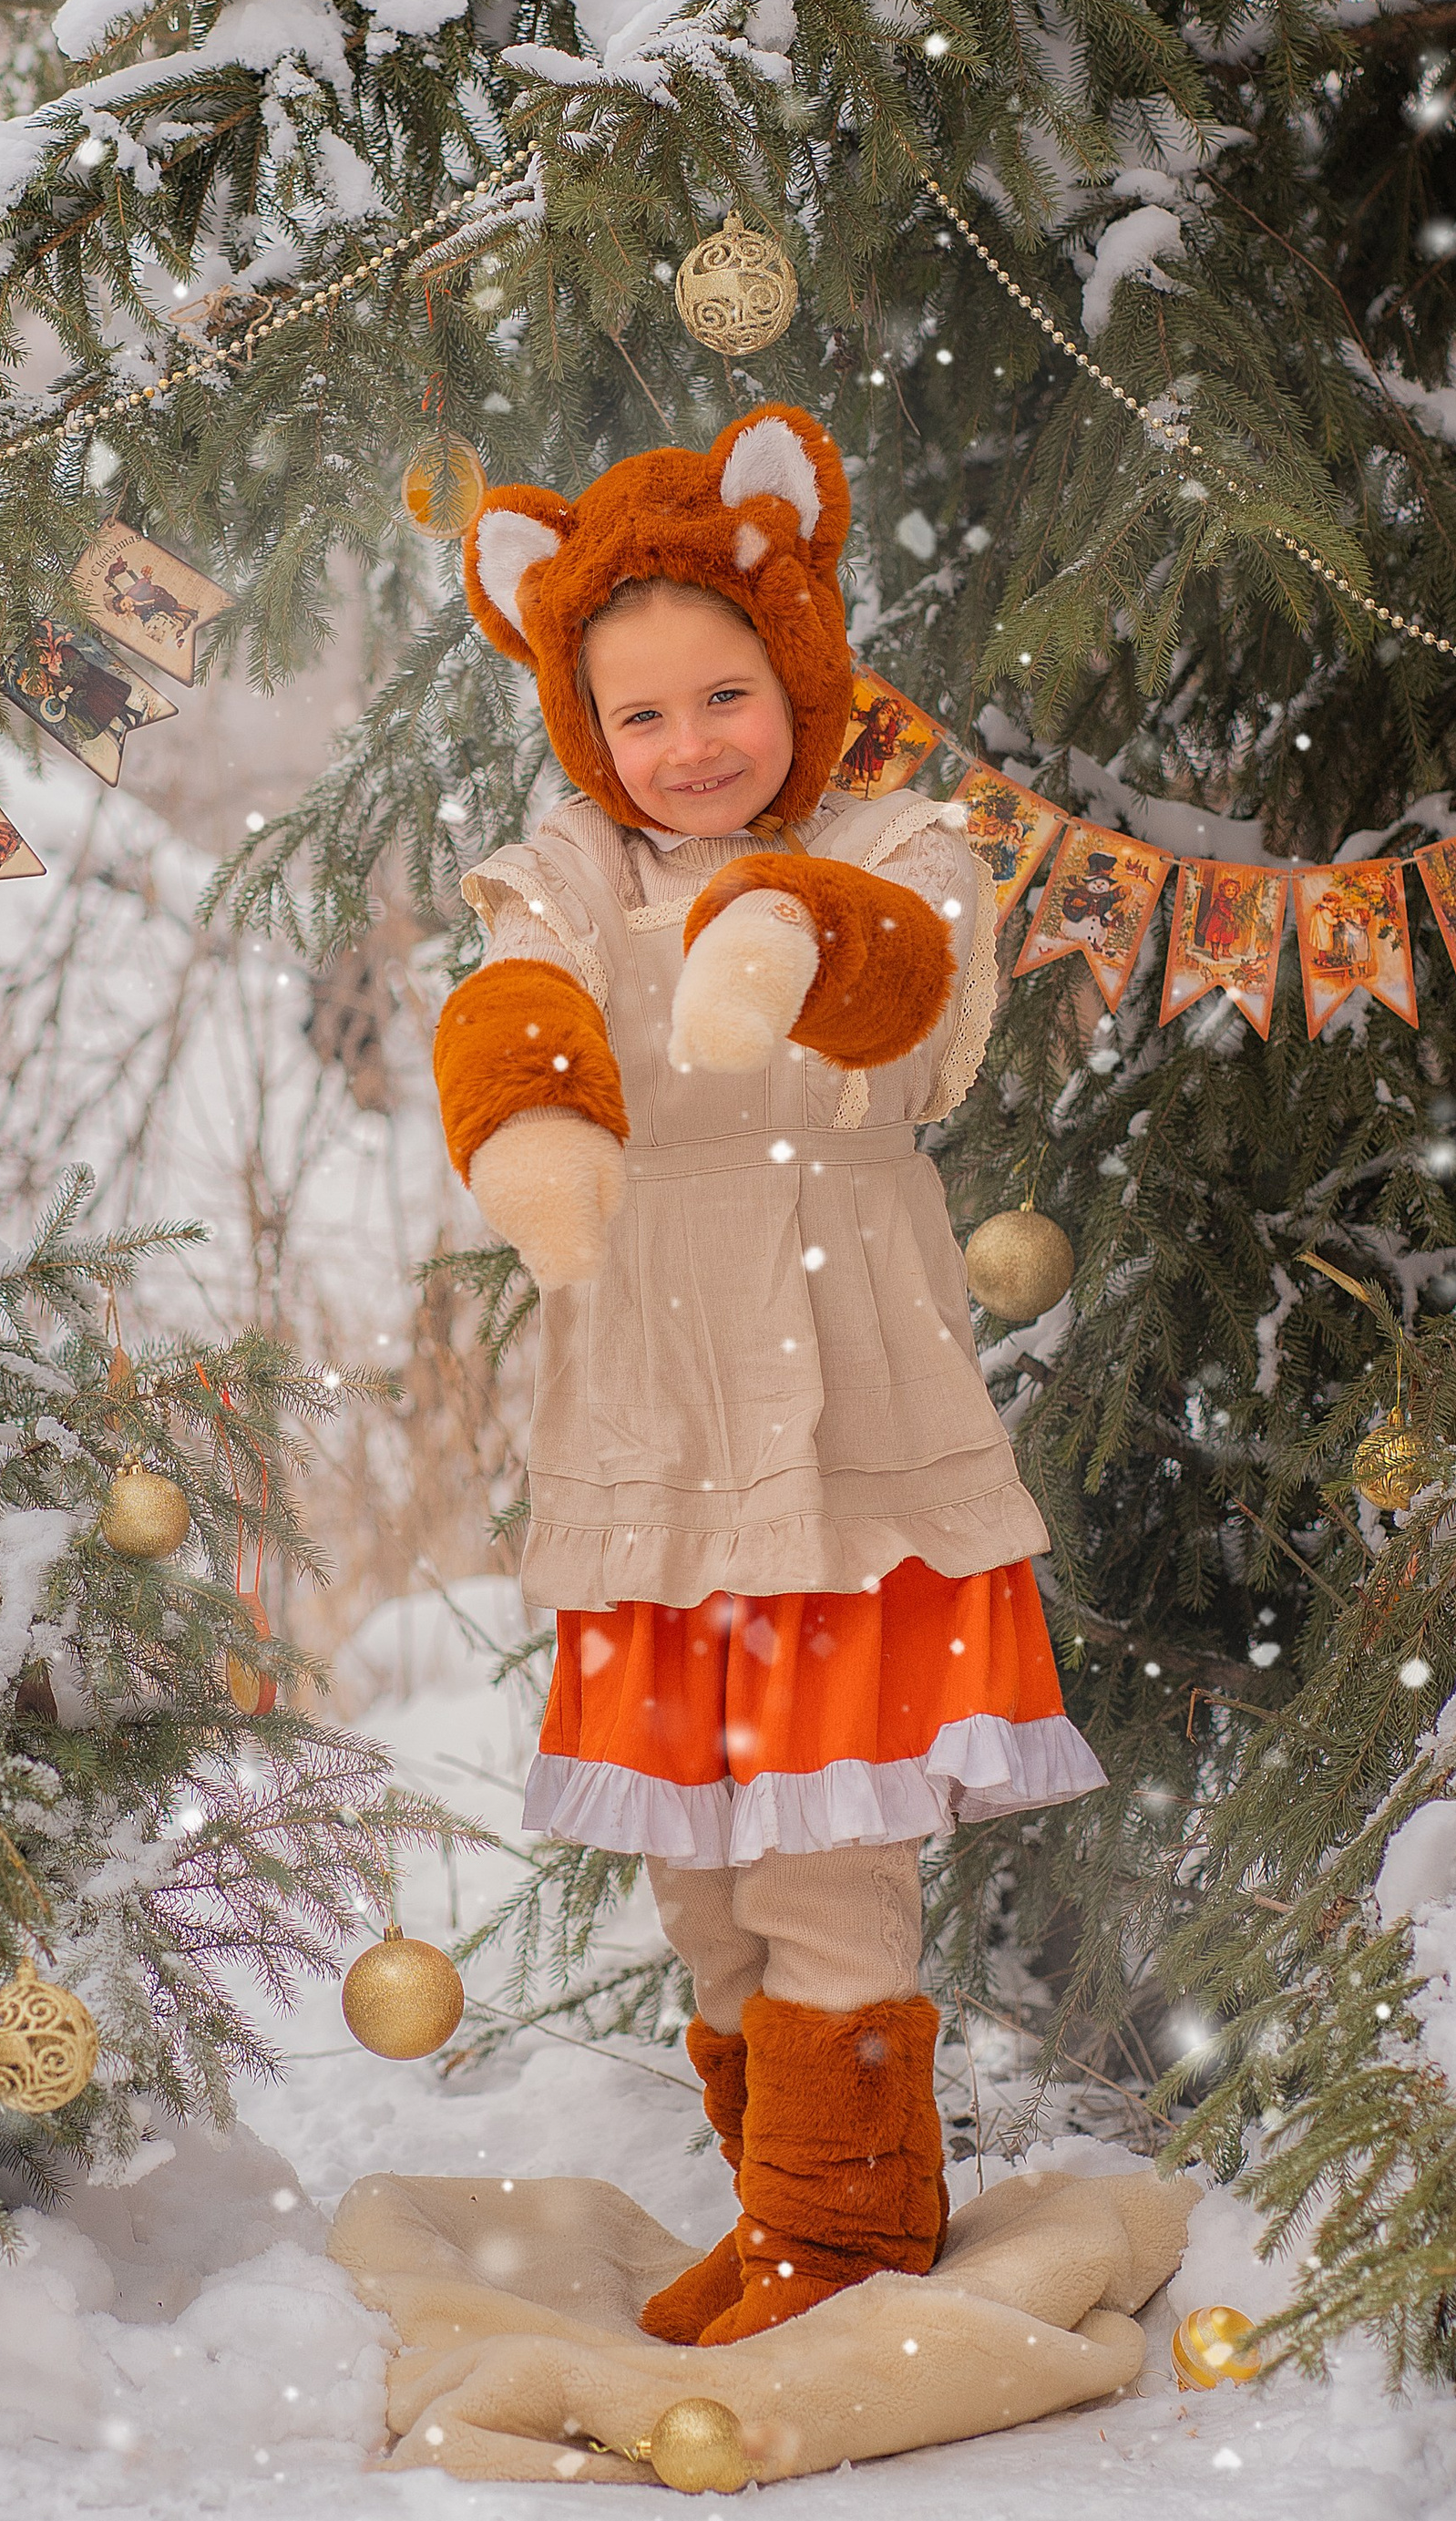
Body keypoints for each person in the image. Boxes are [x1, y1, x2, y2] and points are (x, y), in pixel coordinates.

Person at [433, 403, 1102, 2348]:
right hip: (651, 1406)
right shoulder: (559, 866)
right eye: (638, 718)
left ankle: (847, 2221)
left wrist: (782, 931)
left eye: (722, 694)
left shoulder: (898, 846)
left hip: (835, 1404)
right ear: (580, 729)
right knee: (700, 1875)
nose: (687, 747)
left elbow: (902, 994)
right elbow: (513, 1004)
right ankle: (773, 2196)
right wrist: (536, 1117)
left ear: (794, 666)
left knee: (822, 1849)